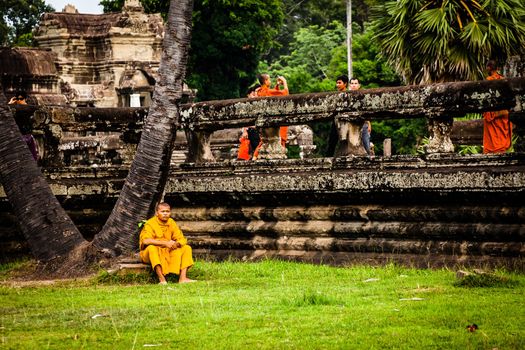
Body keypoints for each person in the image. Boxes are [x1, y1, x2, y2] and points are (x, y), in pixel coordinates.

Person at [139, 202, 196, 284]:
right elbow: (146, 241)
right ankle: (162, 279)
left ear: (170, 212)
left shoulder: (171, 222)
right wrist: (164, 243)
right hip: (150, 253)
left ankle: (183, 278)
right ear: (157, 213)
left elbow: (181, 238)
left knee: (186, 248)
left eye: (167, 211)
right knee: (152, 248)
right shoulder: (150, 223)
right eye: (162, 211)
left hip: (167, 251)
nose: (165, 214)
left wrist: (176, 244)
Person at [253, 74, 289, 158]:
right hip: (271, 123)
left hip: (262, 123)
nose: (270, 81)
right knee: (277, 141)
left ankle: (254, 158)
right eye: (269, 80)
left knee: (263, 142)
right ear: (265, 81)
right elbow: (285, 94)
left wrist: (277, 85)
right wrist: (285, 82)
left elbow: (273, 93)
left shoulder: (259, 91)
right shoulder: (267, 91)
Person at [483, 61, 512, 153]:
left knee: (492, 137)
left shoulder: (488, 81)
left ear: (489, 68)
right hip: (503, 112)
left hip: (493, 112)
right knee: (502, 134)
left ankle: (493, 153)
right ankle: (501, 152)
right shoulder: (504, 80)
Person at [348, 78, 372, 156]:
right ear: (349, 85)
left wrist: (369, 124)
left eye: (355, 83)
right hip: (351, 125)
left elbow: (367, 110)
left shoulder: (363, 96)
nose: (354, 85)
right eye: (352, 83)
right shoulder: (347, 97)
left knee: (366, 145)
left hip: (363, 124)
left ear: (359, 85)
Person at [237, 85, 261, 160]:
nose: (256, 94)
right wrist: (245, 130)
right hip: (252, 130)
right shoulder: (247, 105)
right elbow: (244, 120)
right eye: (255, 92)